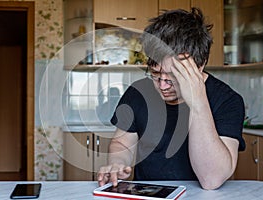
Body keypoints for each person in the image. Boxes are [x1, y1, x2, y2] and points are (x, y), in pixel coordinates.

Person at [97, 7, 245, 190]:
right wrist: (117, 163)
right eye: (155, 74)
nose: (163, 86)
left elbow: (212, 179)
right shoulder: (137, 93)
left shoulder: (228, 101)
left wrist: (198, 101)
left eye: (174, 77)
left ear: (201, 65)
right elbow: (121, 142)